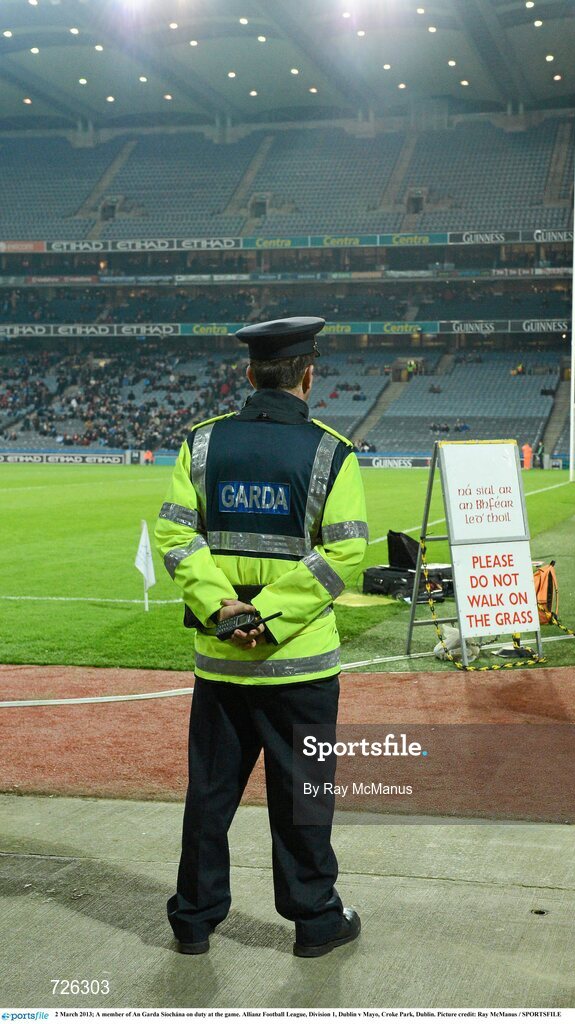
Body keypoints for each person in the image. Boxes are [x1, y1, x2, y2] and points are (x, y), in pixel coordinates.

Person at [155, 316, 367, 958]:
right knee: (304, 798)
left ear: (249, 374)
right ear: (309, 374)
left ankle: (193, 921)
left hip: (220, 663)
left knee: (209, 798)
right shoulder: (333, 451)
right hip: (299, 669)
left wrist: (226, 610)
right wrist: (268, 617)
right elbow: (347, 551)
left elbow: (174, 537)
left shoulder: (202, 442)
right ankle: (313, 922)